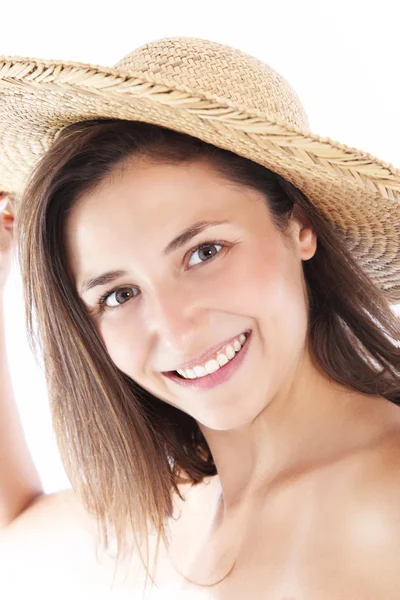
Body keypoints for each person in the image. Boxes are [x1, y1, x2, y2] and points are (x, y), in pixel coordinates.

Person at [0, 36, 399, 599]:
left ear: (299, 225)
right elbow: (13, 530)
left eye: (203, 253)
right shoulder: (178, 516)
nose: (176, 327)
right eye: (118, 295)